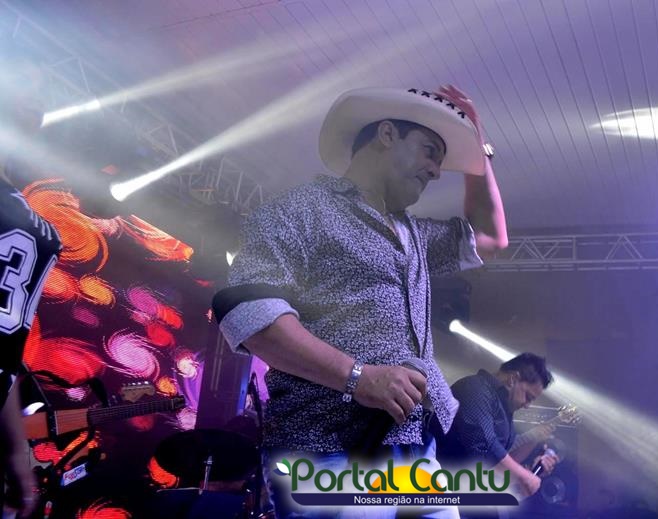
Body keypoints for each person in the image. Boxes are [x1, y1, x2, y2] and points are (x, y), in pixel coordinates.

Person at [212, 85, 507, 517]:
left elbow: (491, 238)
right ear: (386, 134)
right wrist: (358, 377)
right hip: (327, 446)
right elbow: (251, 316)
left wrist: (479, 149)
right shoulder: (300, 209)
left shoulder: (414, 233)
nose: (435, 171)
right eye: (430, 151)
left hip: (414, 446)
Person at [0, 39, 62, 518]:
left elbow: (5, 356)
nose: (33, 108)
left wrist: (18, 450)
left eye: (40, 98)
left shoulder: (20, 203)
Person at [437, 353, 559, 504]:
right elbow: (485, 447)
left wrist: (532, 469)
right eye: (528, 396)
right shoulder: (475, 388)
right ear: (513, 378)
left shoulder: (505, 410)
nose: (528, 405)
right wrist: (523, 475)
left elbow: (502, 458)